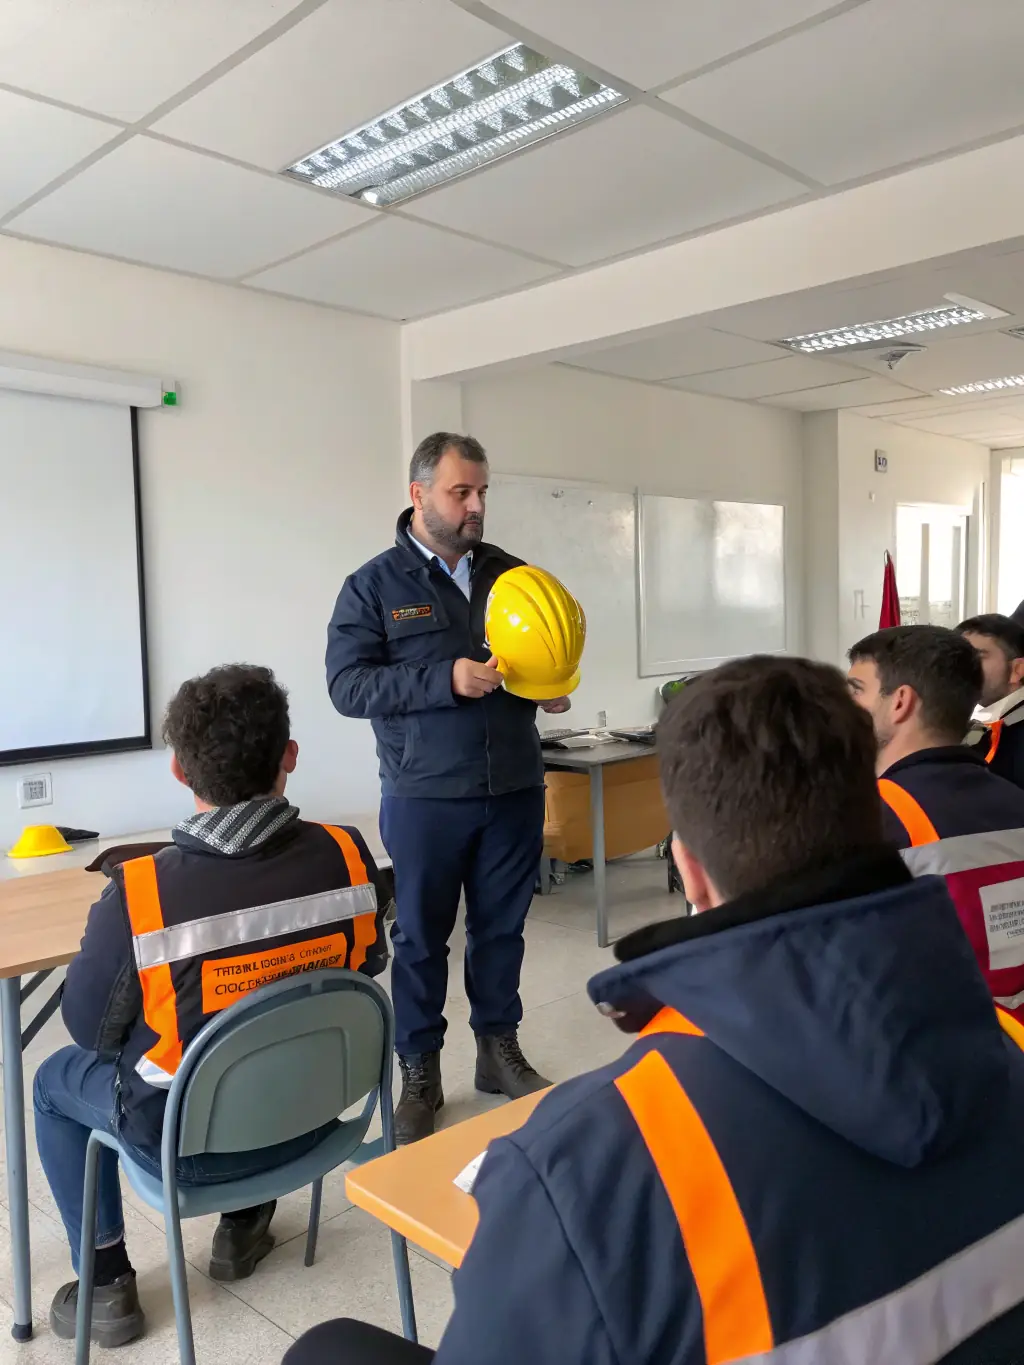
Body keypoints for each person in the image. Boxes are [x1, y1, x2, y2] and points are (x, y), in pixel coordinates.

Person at [284, 656, 1024, 1365]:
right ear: (879, 808)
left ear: (688, 868)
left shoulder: (586, 1165)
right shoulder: (1008, 1037)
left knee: (321, 1348)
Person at [34, 664, 388, 1347]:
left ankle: (106, 1282)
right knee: (278, 1024)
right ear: (289, 756)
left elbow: (89, 1033)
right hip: (318, 1117)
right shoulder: (349, 854)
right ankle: (247, 1221)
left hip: (186, 1148)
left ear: (177, 769)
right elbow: (364, 968)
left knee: (54, 1081)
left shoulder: (138, 895)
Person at [326, 432, 566, 1143]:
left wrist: (548, 688)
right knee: (424, 938)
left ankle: (498, 1050)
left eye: (483, 491)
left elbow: (537, 652)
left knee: (502, 930)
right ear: (419, 493)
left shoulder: (511, 574)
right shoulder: (372, 586)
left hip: (514, 786)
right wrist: (444, 679)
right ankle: (421, 1072)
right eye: (461, 491)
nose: (476, 505)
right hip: (424, 793)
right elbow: (347, 685)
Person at [848, 625, 1024, 1016]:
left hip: (926, 1055)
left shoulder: (863, 818)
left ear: (900, 703)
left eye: (855, 690)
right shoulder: (1016, 799)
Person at [957, 613, 1024, 787]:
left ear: (1017, 670)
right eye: (959, 657)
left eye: (977, 657)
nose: (962, 666)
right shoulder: (972, 723)